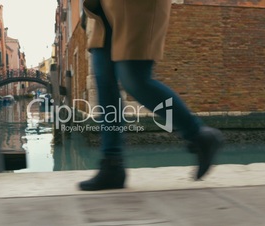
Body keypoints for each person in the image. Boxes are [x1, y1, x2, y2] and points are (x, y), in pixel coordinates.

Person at [79, 0, 223, 191]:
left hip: (137, 7)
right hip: (100, 11)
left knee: (134, 80)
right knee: (105, 84)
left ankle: (198, 134)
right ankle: (112, 165)